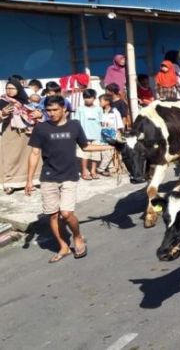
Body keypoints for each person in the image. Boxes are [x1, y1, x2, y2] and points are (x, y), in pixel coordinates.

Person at [25, 95, 114, 263]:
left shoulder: (74, 125)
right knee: (52, 215)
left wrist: (110, 145)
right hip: (48, 177)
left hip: (69, 175)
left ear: (64, 109)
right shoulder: (41, 128)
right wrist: (29, 180)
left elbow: (86, 146)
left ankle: (78, 236)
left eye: (55, 110)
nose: (51, 113)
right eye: (48, 110)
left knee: (66, 213)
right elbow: (34, 153)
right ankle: (63, 247)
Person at [0, 78, 38, 194]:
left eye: (12, 88)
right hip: (10, 132)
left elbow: (32, 115)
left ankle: (29, 180)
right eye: (7, 88)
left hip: (25, 133)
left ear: (19, 89)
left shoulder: (25, 101)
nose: (9, 90)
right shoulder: (2, 101)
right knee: (10, 159)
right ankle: (9, 183)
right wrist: (3, 114)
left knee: (26, 157)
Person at [73, 89, 104, 180]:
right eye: (85, 97)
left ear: (94, 98)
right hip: (84, 136)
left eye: (89, 97)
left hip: (96, 135)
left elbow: (101, 122)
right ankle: (84, 171)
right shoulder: (80, 109)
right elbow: (77, 122)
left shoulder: (99, 109)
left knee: (96, 154)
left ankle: (93, 171)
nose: (87, 99)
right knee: (84, 155)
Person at [98, 93, 123, 176]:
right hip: (102, 135)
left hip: (112, 135)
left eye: (101, 101)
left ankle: (100, 169)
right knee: (104, 153)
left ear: (107, 102)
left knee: (110, 152)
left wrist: (118, 135)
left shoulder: (115, 112)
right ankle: (111, 168)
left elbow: (119, 125)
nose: (99, 103)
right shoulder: (100, 112)